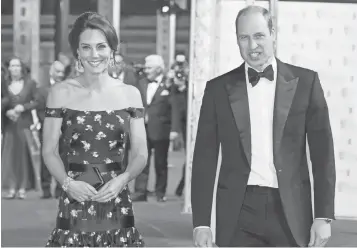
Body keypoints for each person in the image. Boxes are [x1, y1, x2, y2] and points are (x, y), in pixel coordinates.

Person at [191, 6, 336, 247]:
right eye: (244, 37)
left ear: (272, 34)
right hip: (238, 210)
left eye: (259, 36)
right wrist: (202, 223)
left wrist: (323, 216)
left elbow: (323, 155)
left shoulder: (306, 83)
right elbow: (204, 158)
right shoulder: (217, 89)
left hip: (291, 209)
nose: (252, 45)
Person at [42, 12, 147, 246]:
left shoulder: (130, 94)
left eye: (101, 46)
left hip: (116, 197)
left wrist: (123, 180)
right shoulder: (60, 92)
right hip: (75, 197)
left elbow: (141, 153)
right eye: (86, 47)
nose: (94, 54)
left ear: (112, 50)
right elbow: (48, 150)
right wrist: (68, 184)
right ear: (77, 52)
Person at [131, 54, 180, 202]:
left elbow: (175, 108)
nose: (146, 70)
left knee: (160, 162)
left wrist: (175, 129)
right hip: (143, 128)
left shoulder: (168, 85)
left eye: (150, 67)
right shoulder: (141, 83)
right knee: (141, 161)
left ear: (159, 69)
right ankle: (140, 191)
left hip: (161, 129)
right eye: (146, 67)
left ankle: (160, 192)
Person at [1, 56, 39, 199]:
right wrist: (7, 112)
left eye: (17, 66)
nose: (15, 68)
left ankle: (23, 187)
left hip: (24, 124)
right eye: (12, 66)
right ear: (9, 69)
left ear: (21, 68)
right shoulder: (4, 84)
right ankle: (11, 187)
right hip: (9, 125)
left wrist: (23, 107)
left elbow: (37, 101)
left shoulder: (30, 84)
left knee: (23, 156)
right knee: (9, 156)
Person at [37, 60, 66, 199]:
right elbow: (40, 111)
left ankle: (60, 189)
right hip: (47, 131)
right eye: (57, 71)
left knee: (62, 160)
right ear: (51, 72)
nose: (60, 74)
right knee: (46, 159)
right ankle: (46, 188)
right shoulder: (42, 90)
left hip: (64, 132)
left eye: (62, 72)